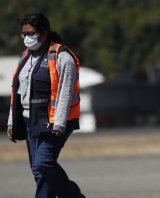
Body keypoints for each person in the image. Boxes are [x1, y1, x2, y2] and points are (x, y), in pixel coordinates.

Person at [6, 13, 85, 198]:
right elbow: (17, 91)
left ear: (43, 33)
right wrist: (12, 121)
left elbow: (65, 90)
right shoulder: (26, 56)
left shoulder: (61, 56)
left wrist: (59, 123)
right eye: (23, 34)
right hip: (29, 119)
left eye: (31, 34)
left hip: (52, 121)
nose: (26, 38)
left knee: (44, 162)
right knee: (38, 171)